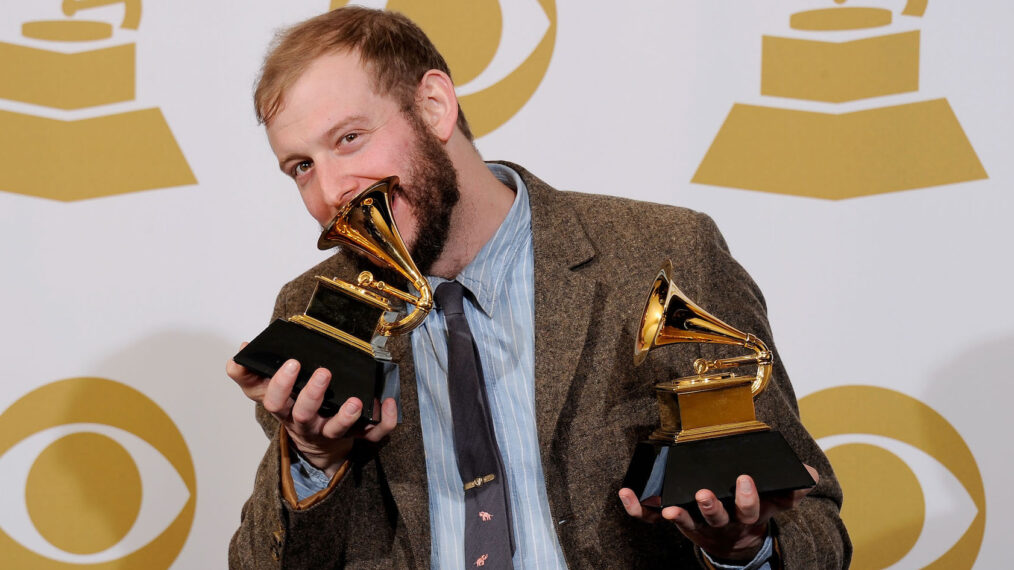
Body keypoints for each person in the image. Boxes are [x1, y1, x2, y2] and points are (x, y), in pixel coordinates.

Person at [227, 7, 850, 569]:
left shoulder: (661, 253)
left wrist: (745, 549)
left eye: (349, 138)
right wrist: (313, 461)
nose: (333, 189)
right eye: (301, 167)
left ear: (435, 107)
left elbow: (813, 522)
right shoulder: (315, 306)